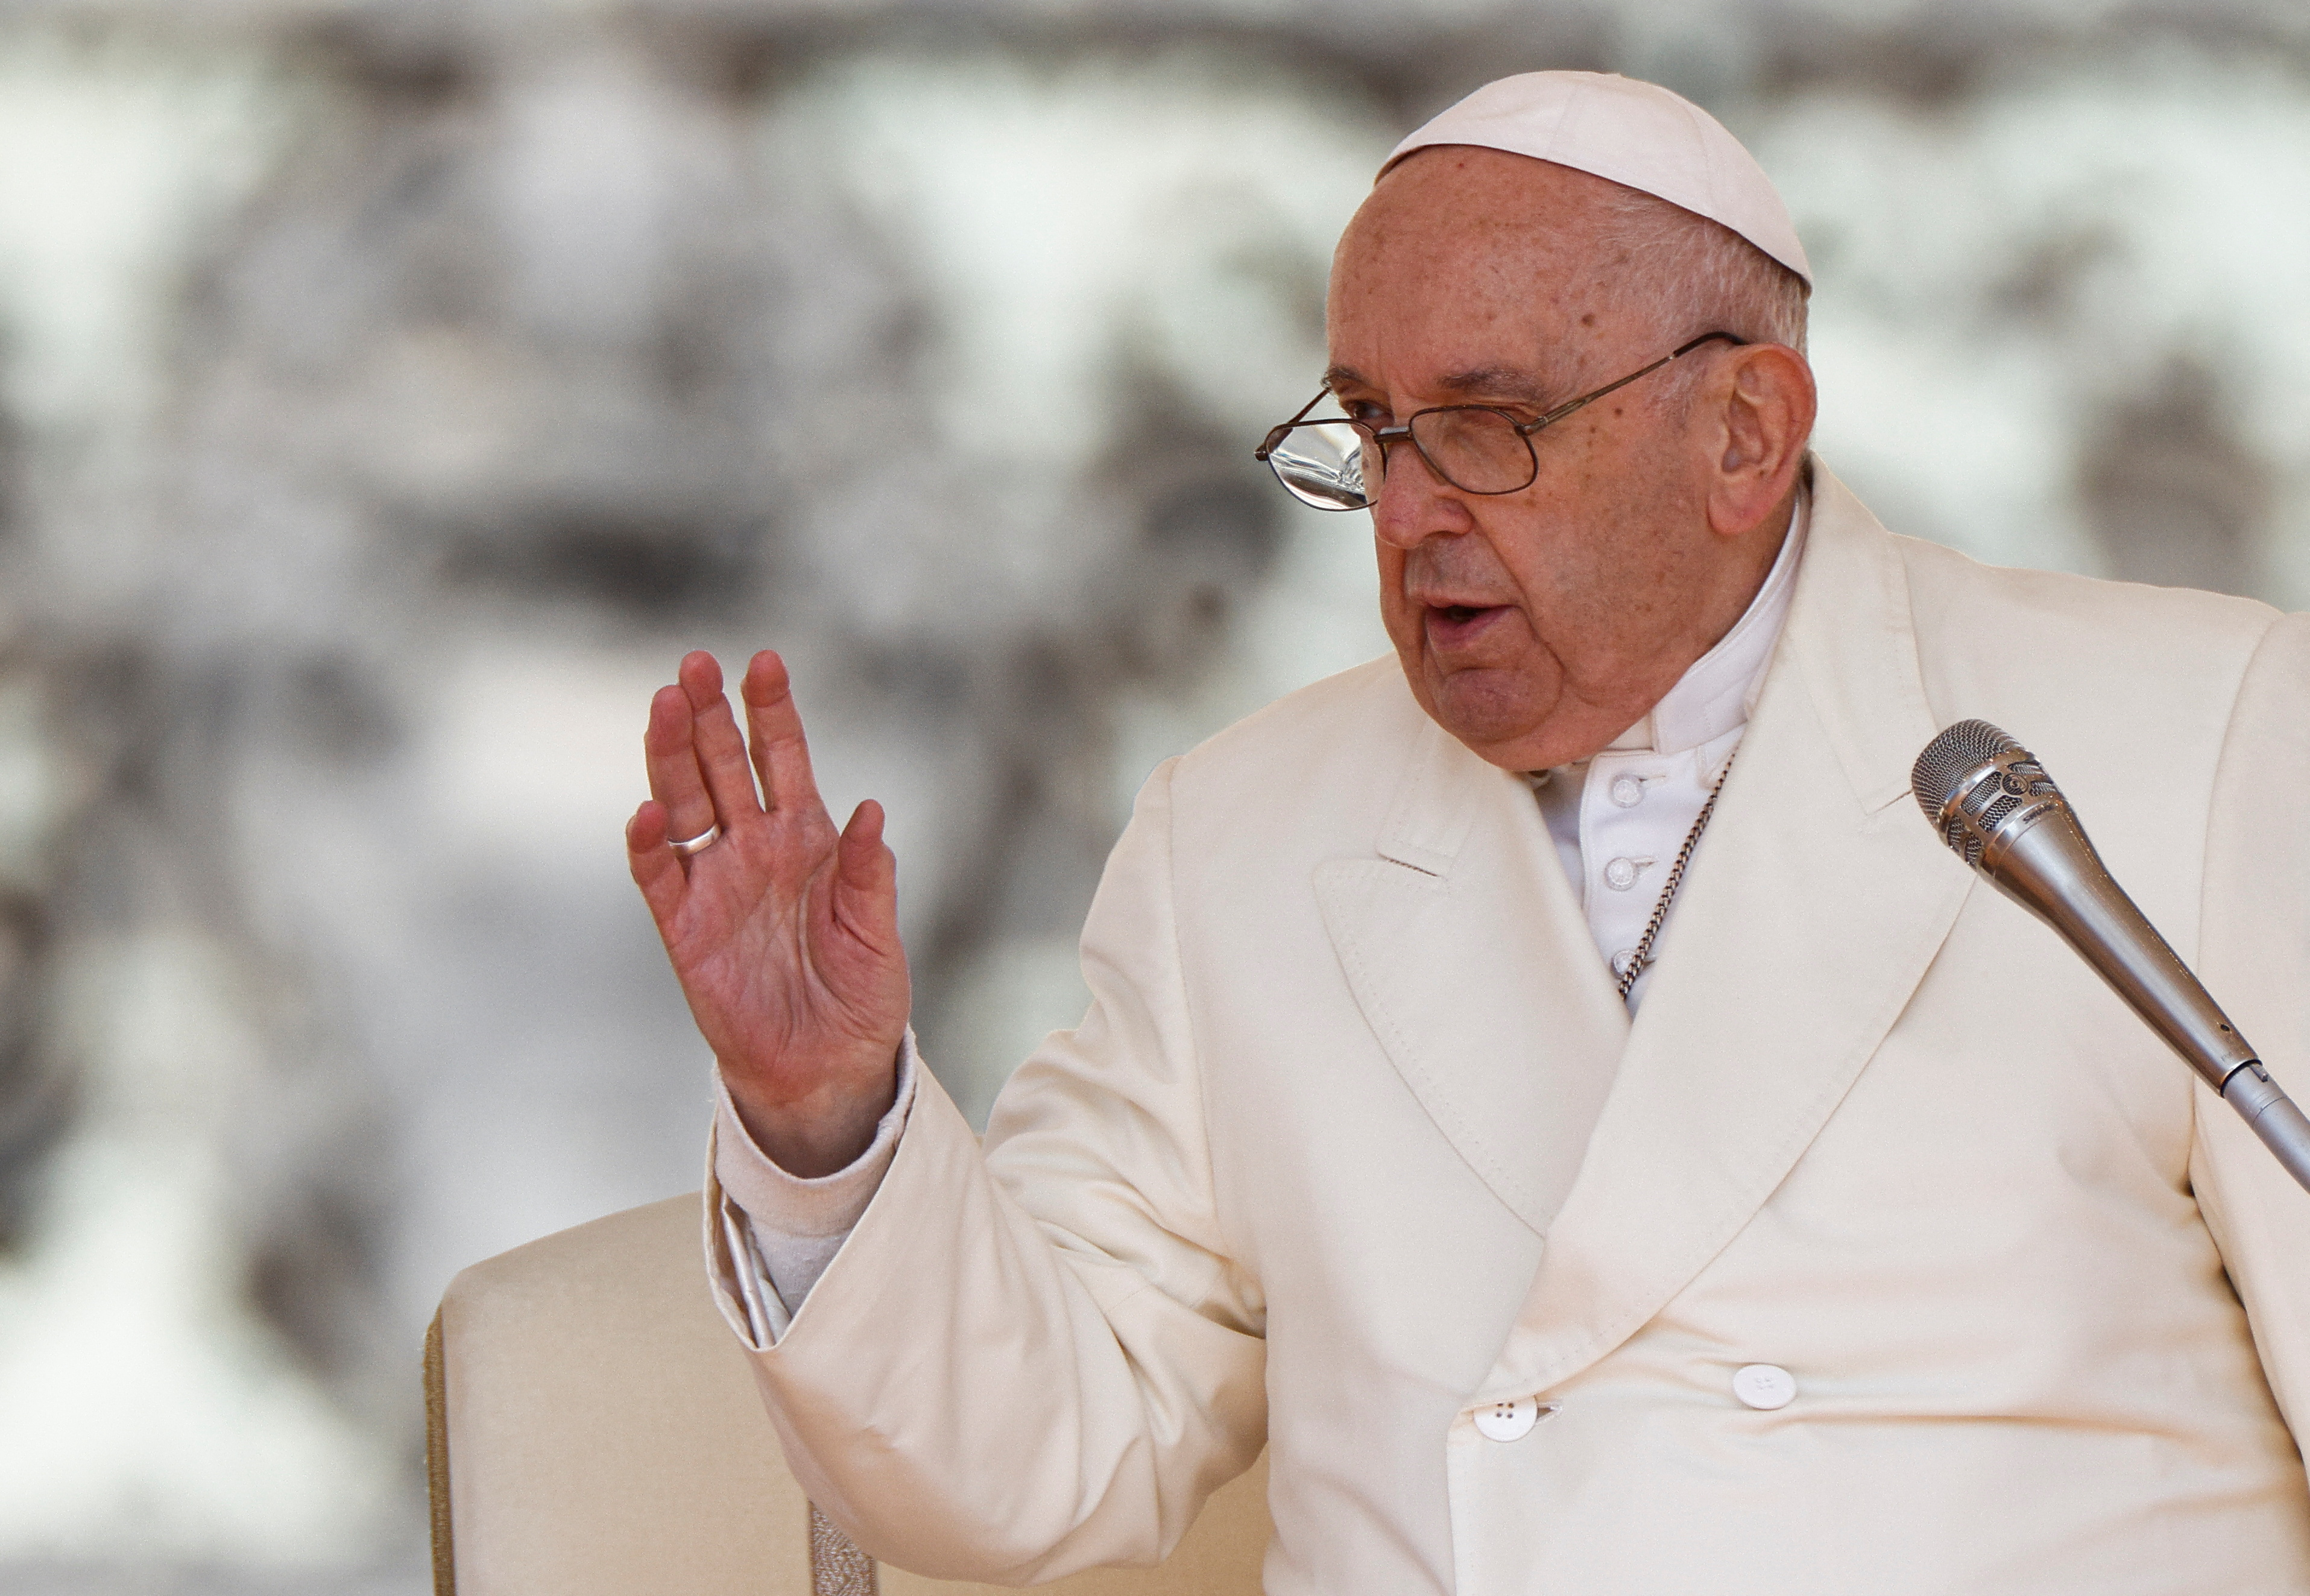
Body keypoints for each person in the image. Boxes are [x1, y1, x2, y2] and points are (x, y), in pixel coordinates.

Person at [625, 71, 2310, 1595]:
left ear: (1746, 433)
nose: (1415, 512)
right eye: (1372, 430)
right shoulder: (1242, 838)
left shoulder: (2196, 732)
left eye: (1491, 428)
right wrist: (824, 1113)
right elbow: (1039, 1464)